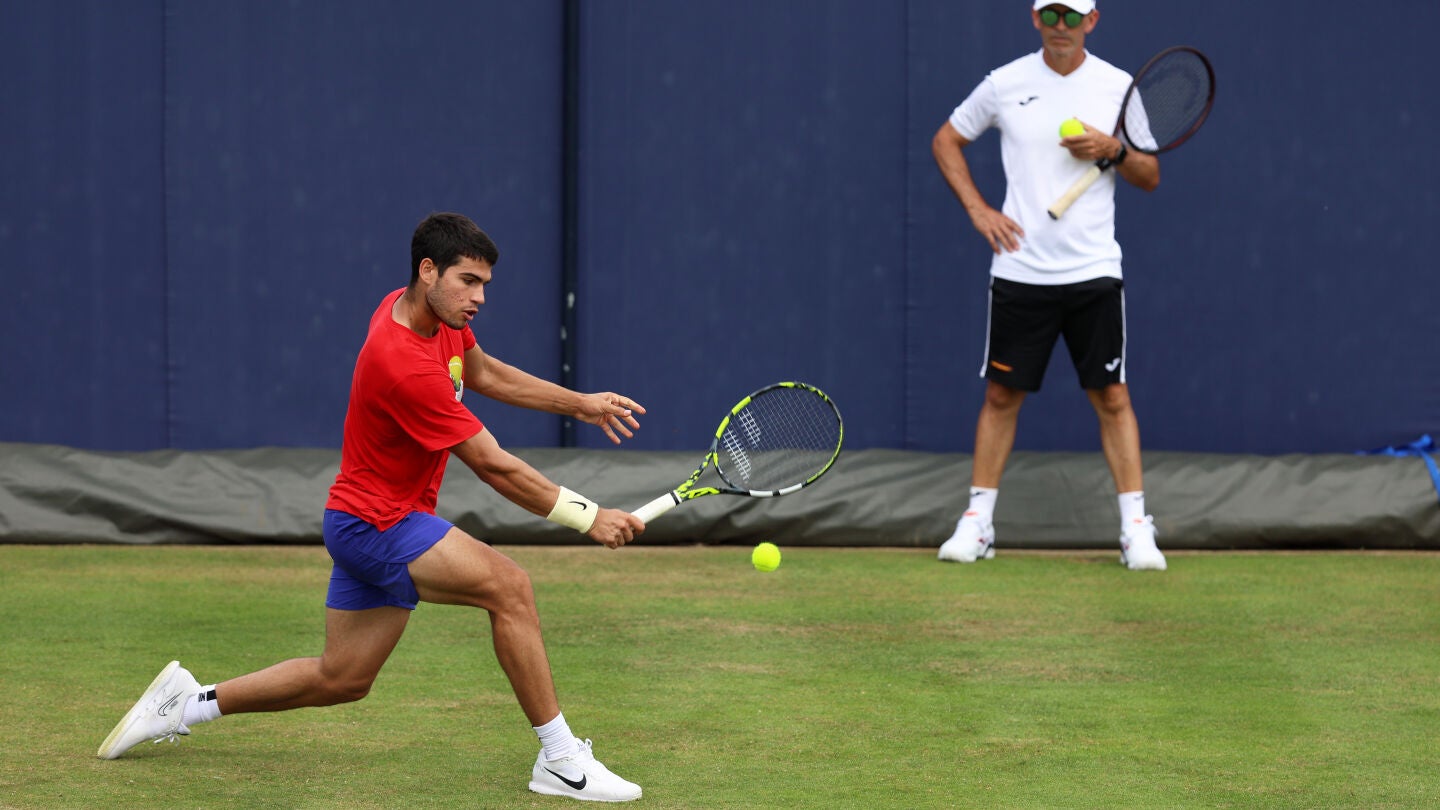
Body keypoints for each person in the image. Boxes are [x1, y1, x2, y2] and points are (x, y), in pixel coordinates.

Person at [97, 212, 648, 802]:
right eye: (468, 281)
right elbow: (493, 465)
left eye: (485, 283)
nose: (480, 297)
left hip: (361, 519)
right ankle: (560, 759)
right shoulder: (403, 363)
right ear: (428, 271)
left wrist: (580, 404)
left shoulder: (424, 313)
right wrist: (589, 516)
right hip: (380, 524)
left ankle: (187, 704)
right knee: (509, 588)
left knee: (342, 678)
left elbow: (484, 372)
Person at [930, 0, 1167, 571]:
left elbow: (1150, 175)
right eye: (1052, 15)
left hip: (1093, 271)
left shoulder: (1117, 87)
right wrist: (979, 210)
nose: (1062, 27)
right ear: (1035, 19)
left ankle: (1136, 529)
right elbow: (946, 140)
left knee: (1112, 397)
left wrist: (1112, 149)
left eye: (1073, 17)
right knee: (1000, 397)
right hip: (1021, 272)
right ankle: (978, 523)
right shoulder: (1004, 83)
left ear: (1092, 21)